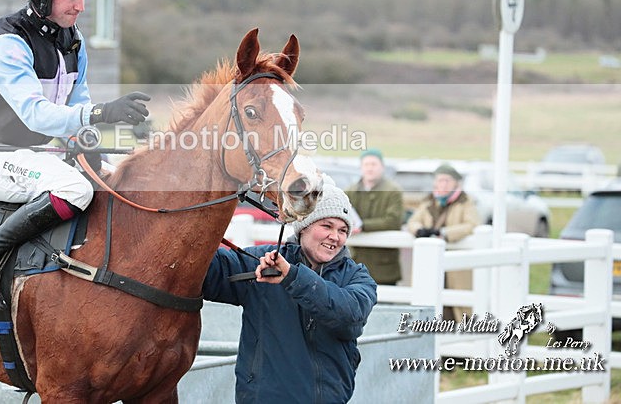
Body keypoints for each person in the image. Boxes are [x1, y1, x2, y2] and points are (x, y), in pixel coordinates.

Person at [0, 0, 151, 310]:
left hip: (43, 156)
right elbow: (37, 114)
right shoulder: (7, 41)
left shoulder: (72, 40)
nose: (81, 5)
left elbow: (79, 108)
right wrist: (100, 114)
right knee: (76, 190)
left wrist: (117, 135)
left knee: (127, 182)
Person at [203, 179, 377, 404]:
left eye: (343, 230)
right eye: (327, 226)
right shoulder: (261, 259)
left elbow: (348, 315)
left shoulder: (358, 277)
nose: (335, 236)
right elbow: (207, 272)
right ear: (304, 226)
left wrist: (292, 277)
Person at [406, 162, 480, 322]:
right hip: (431, 262)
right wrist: (420, 230)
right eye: (440, 180)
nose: (443, 184)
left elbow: (471, 225)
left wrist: (444, 233)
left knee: (460, 304)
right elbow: (413, 221)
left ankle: (465, 341)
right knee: (431, 299)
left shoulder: (465, 202)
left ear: (456, 183)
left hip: (456, 263)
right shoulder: (428, 202)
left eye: (447, 180)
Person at [346, 148, 405, 285]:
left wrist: (362, 226)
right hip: (356, 261)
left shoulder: (393, 191)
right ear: (361, 167)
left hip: (383, 264)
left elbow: (393, 221)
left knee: (386, 304)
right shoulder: (350, 191)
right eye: (366, 164)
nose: (370, 168)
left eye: (374, 164)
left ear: (382, 167)